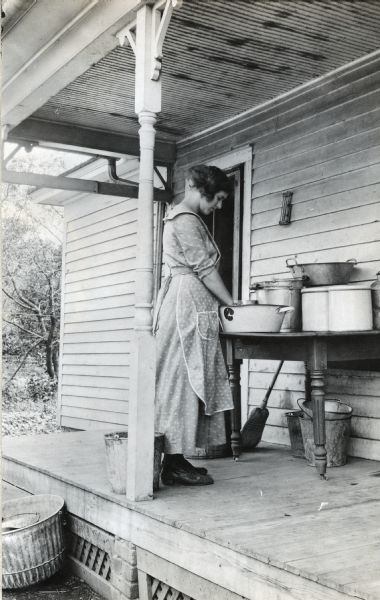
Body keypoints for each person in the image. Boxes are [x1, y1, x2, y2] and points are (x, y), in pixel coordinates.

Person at [153, 164, 235, 486]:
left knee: (186, 381)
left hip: (188, 304)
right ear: (202, 192)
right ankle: (172, 462)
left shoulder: (185, 218)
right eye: (217, 199)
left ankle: (177, 458)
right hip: (185, 307)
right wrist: (231, 303)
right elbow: (205, 270)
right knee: (180, 380)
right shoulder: (185, 220)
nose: (219, 206)